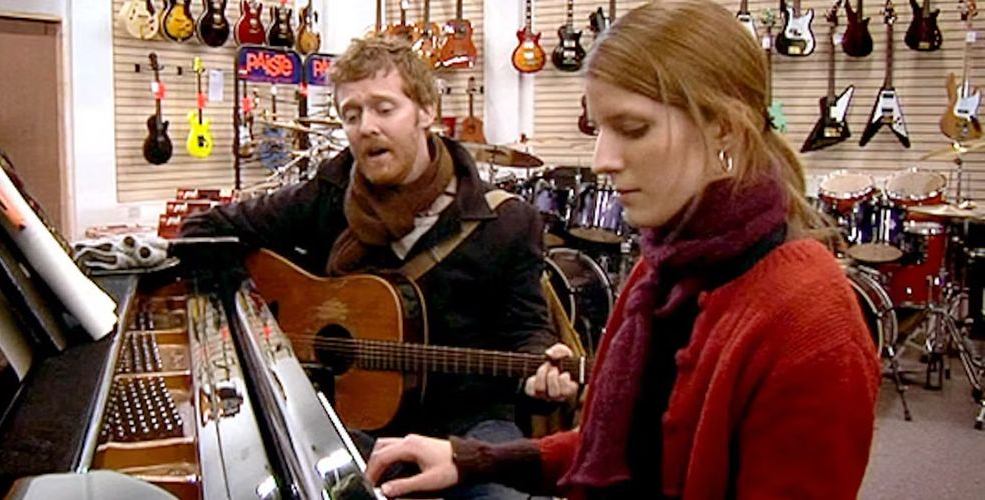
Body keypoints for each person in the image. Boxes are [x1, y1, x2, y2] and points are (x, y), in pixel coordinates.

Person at [364, 1, 882, 498]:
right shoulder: (668, 263)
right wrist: (472, 460)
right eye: (599, 127)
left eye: (632, 129)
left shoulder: (811, 321)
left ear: (723, 125)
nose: (603, 158)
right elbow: (625, 454)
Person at [180, 35, 571, 499]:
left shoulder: (506, 221)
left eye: (384, 109)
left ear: (426, 111)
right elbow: (207, 229)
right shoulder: (329, 191)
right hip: (354, 422)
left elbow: (526, 330)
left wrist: (543, 368)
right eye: (351, 114)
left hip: (471, 426)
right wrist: (271, 314)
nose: (365, 127)